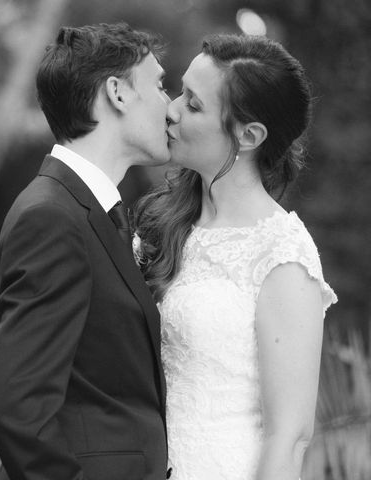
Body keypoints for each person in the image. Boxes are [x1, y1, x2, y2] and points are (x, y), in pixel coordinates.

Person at [133, 34, 337, 480]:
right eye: (179, 90)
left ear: (248, 135)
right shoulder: (160, 221)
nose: (171, 108)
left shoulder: (283, 254)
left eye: (194, 104)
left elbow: (290, 435)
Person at [0, 22, 172, 480]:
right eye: (160, 84)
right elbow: (18, 414)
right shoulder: (50, 219)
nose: (170, 107)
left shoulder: (89, 211)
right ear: (118, 93)